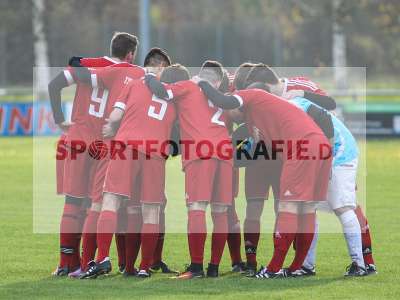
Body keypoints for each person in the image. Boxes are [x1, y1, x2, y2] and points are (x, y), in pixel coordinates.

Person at [194, 80, 332, 279]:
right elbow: (249, 154)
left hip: (301, 147)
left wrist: (202, 83)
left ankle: (274, 268)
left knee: (288, 208)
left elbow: (223, 100)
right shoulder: (258, 119)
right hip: (320, 145)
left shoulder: (254, 94)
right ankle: (297, 267)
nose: (229, 118)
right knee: (307, 209)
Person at [249, 64, 376, 275]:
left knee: (343, 206)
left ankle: (361, 264)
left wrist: (328, 155)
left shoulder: (294, 100)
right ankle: (307, 266)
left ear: (269, 87)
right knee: (311, 208)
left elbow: (327, 114)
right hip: (318, 155)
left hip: (338, 150)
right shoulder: (280, 104)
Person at [80, 64, 188, 279]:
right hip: (155, 152)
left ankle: (102, 258)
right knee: (151, 211)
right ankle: (144, 268)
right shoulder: (178, 97)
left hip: (126, 146)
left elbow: (116, 115)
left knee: (110, 201)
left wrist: (112, 126)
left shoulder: (137, 84)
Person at [48, 32, 138, 276]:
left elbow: (54, 84)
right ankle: (93, 262)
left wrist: (59, 120)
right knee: (96, 205)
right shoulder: (131, 72)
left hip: (77, 138)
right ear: (130, 54)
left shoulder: (90, 64)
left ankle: (66, 263)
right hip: (105, 144)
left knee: (72, 202)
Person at [145, 61, 233, 279]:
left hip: (201, 152)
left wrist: (148, 76)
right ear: (219, 81)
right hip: (225, 152)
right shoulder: (220, 96)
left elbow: (162, 91)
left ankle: (196, 267)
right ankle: (213, 268)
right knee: (220, 212)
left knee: (197, 207)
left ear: (199, 75)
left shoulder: (189, 86)